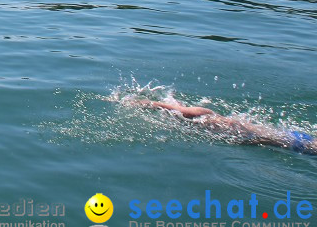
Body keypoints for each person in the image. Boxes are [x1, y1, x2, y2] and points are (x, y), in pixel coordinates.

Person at [127, 97, 316, 155]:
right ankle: (151, 103)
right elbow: (269, 139)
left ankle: (165, 104)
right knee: (200, 119)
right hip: (248, 131)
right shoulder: (307, 146)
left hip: (257, 131)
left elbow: (271, 138)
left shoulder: (309, 144)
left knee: (202, 118)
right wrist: (246, 143)